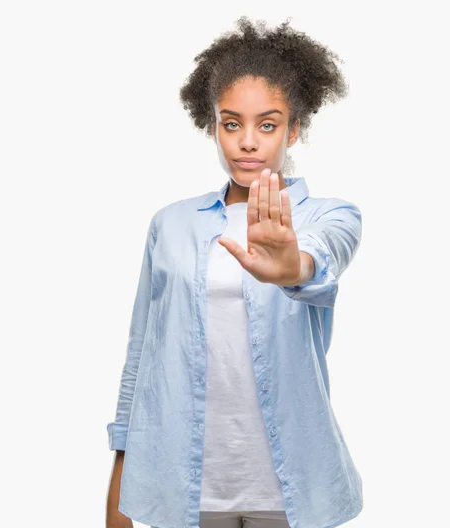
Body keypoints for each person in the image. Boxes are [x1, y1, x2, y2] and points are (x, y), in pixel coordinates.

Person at [106, 16, 364, 528]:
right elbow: (142, 351)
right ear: (214, 126)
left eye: (267, 125)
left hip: (290, 488)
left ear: (294, 128)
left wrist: (292, 268)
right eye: (231, 123)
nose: (247, 142)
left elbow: (318, 258)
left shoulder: (329, 216)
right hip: (181, 484)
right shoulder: (171, 224)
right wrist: (121, 468)